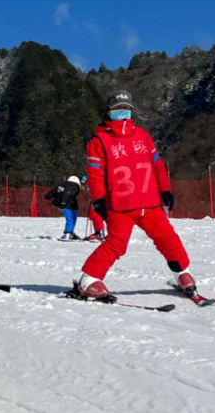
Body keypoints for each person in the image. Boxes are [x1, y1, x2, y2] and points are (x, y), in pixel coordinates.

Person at [72, 89, 200, 300]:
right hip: (119, 205)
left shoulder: (142, 135)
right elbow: (95, 175)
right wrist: (99, 199)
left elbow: (157, 165)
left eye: (126, 110)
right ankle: (89, 279)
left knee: (168, 238)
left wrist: (165, 189)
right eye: (117, 110)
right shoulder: (99, 141)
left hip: (149, 203)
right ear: (108, 111)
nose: (122, 114)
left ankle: (182, 274)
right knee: (116, 244)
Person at [45, 175, 82, 240]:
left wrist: (47, 196)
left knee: (72, 219)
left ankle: (70, 232)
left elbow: (54, 191)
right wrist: (63, 203)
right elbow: (67, 193)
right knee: (71, 219)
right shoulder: (74, 186)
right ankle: (67, 233)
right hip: (68, 205)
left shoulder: (62, 185)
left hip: (67, 205)